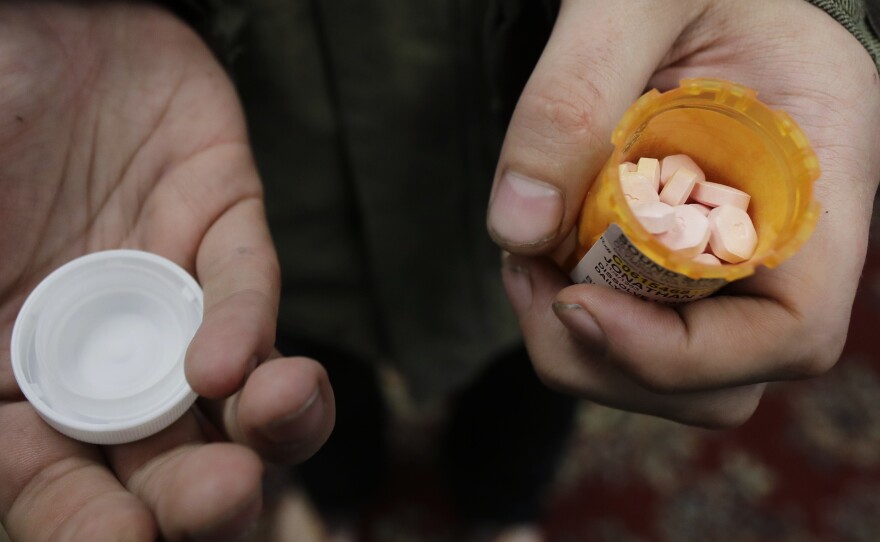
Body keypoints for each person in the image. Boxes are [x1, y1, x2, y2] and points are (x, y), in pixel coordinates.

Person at [0, 0, 877, 540]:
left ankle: (501, 504)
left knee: (546, 369)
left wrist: (818, 7)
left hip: (522, 198)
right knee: (293, 375)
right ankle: (340, 493)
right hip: (263, 180)